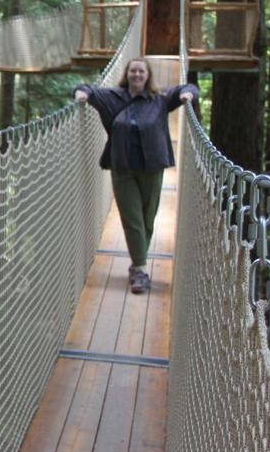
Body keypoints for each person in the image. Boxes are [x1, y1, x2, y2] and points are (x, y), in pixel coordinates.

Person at [74, 58, 197, 294]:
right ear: (127, 74)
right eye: (133, 71)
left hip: (152, 166)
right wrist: (81, 93)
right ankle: (140, 269)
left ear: (148, 75)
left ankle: (136, 264)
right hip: (123, 167)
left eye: (141, 71)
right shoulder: (112, 97)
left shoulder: (159, 99)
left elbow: (187, 88)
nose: (137, 75)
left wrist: (188, 96)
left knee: (147, 218)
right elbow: (87, 89)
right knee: (133, 219)